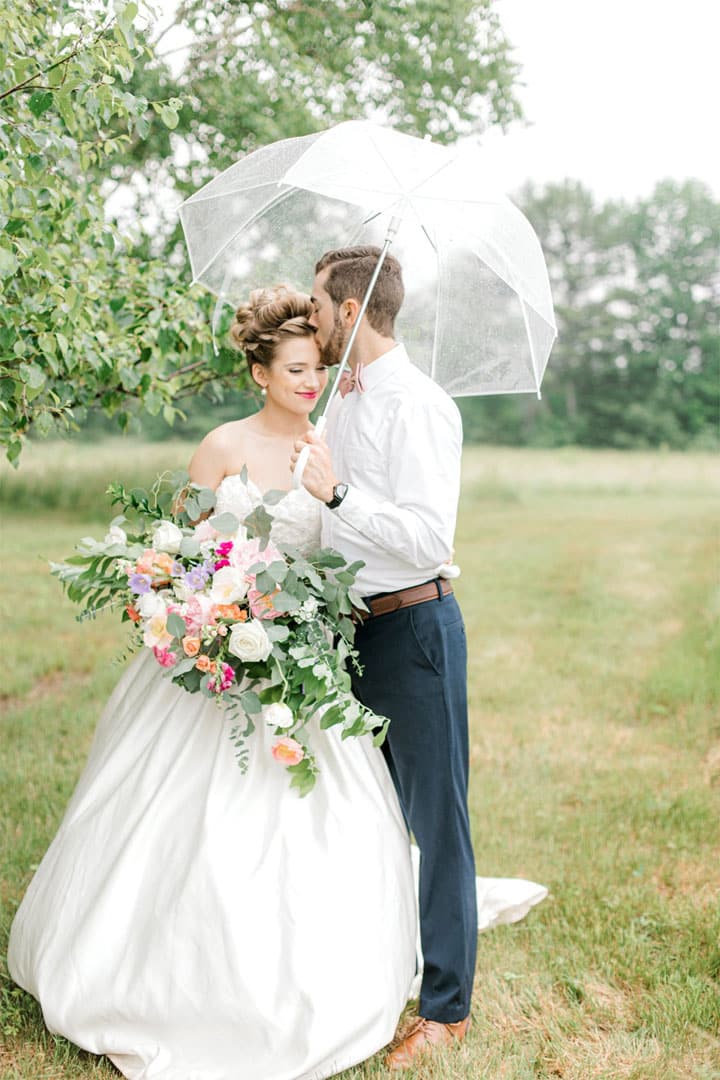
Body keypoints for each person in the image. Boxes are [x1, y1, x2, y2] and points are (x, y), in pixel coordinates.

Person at [7, 286, 419, 1080]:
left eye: (317, 368)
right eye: (295, 369)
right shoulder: (221, 447)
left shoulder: (330, 447)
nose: (309, 382)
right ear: (260, 371)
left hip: (299, 663)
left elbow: (349, 541)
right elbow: (177, 552)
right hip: (211, 660)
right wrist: (204, 611)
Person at [292, 247, 478, 1070]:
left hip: (414, 631)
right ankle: (365, 971)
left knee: (436, 822)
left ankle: (446, 1010)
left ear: (353, 308)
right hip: (345, 631)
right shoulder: (339, 402)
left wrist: (338, 496)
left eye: (319, 304)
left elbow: (429, 537)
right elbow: (328, 525)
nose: (311, 318)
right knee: (356, 813)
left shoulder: (421, 405)